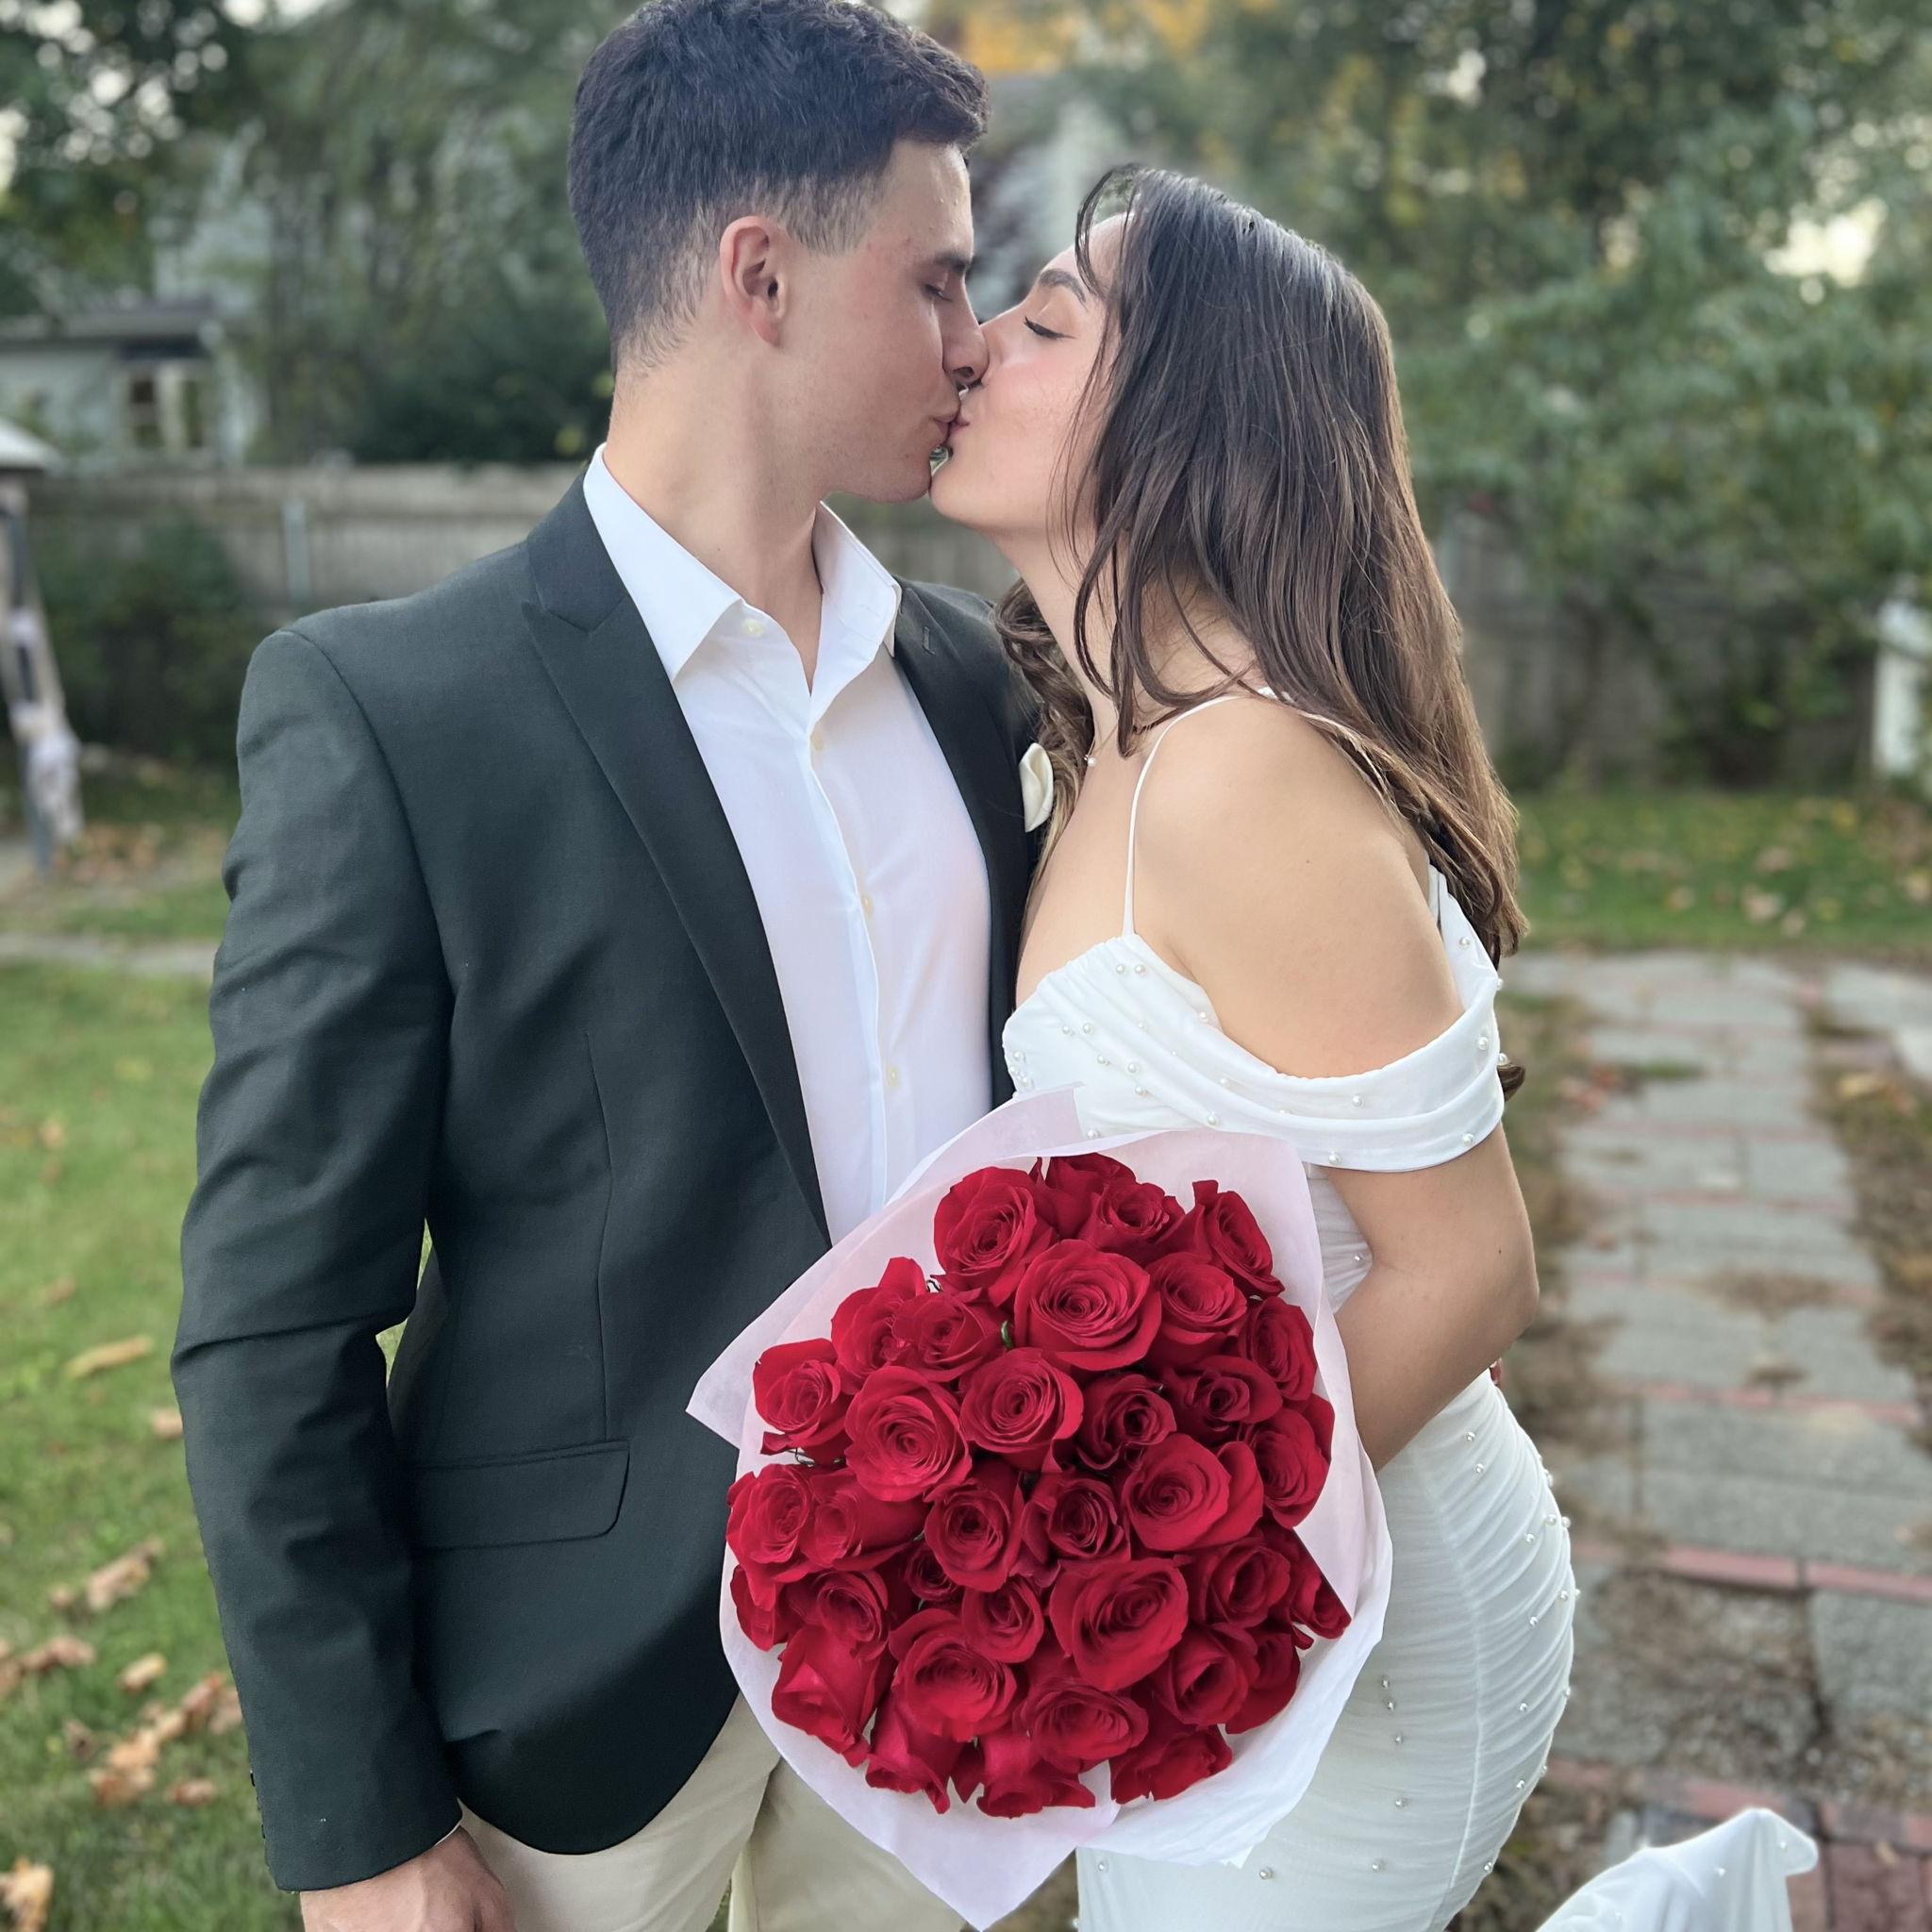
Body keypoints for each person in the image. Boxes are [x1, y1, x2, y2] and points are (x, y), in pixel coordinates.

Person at [174, 4, 1030, 1929]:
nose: (973, 339)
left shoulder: (978, 688)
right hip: (584, 1694)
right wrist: (359, 1827)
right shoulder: (397, 713)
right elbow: (272, 1319)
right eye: (935, 279)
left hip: (950, 1674)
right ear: (760, 278)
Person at [930, 163, 1574, 1932]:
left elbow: (1471, 1268)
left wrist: (1156, 1577)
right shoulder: (1106, 749)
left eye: (1046, 320)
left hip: (1356, 1615)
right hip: (1233, 1583)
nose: (976, 344)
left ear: (1182, 416)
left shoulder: (1242, 774)